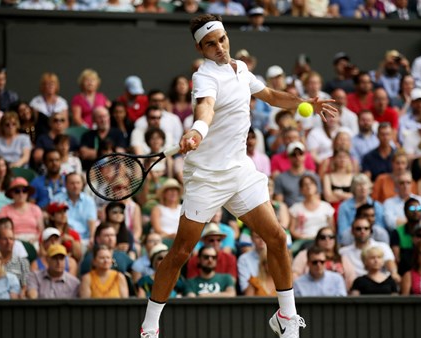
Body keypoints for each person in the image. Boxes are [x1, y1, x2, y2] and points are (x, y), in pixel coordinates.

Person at [140, 15, 339, 338]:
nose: (219, 47)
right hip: (206, 177)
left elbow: (272, 96)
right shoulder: (203, 77)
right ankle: (149, 327)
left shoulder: (241, 69)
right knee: (179, 253)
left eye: (222, 39)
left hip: (240, 171)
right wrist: (197, 130)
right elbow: (205, 108)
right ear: (200, 48)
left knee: (276, 238)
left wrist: (305, 103)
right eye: (210, 44)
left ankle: (286, 318)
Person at [292, 226, 356, 289]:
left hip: (337, 294)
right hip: (310, 293)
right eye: (323, 237)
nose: (327, 240)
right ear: (317, 240)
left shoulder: (342, 258)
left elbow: (351, 278)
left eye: (331, 237)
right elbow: (295, 274)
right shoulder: (305, 254)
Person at [288, 174, 334, 254]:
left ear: (316, 187)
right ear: (301, 190)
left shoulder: (326, 206)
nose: (308, 186)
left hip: (323, 239)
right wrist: (302, 237)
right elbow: (292, 229)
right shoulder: (295, 208)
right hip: (303, 240)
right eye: (305, 185)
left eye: (311, 184)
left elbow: (332, 228)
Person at [337, 174, 386, 243]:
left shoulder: (377, 206)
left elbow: (380, 227)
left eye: (365, 184)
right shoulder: (344, 207)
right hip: (351, 241)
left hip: (374, 241)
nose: (363, 188)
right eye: (359, 185)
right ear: (353, 188)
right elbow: (342, 231)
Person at [53, 172, 97, 246]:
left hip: (83, 239)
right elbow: (53, 220)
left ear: (82, 184)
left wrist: (92, 237)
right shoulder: (57, 199)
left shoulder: (89, 201)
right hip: (62, 237)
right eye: (72, 183)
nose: (75, 186)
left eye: (78, 183)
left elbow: (92, 221)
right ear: (66, 185)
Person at [273, 142, 322, 207]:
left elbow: (317, 199)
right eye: (294, 154)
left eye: (300, 153)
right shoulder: (280, 178)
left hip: (311, 212)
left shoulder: (313, 176)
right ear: (288, 157)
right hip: (290, 213)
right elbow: (279, 204)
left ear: (305, 155)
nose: (297, 157)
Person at [0, 177, 43, 243]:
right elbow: (2, 231)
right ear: (11, 193)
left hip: (34, 240)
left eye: (24, 191)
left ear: (27, 193)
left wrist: (35, 239)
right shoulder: (5, 210)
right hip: (13, 240)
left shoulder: (35, 209)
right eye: (17, 191)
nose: (21, 194)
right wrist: (13, 238)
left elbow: (41, 231)